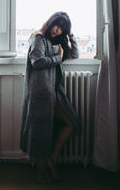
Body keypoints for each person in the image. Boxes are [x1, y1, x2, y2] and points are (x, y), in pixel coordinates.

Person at [20, 11, 80, 184]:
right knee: (40, 133)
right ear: (50, 22)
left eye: (62, 28)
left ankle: (51, 159)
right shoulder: (38, 38)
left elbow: (74, 55)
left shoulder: (56, 42)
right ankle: (40, 175)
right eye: (57, 25)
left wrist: (71, 35)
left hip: (54, 92)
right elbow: (36, 61)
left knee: (70, 122)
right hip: (40, 93)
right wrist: (57, 58)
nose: (58, 30)